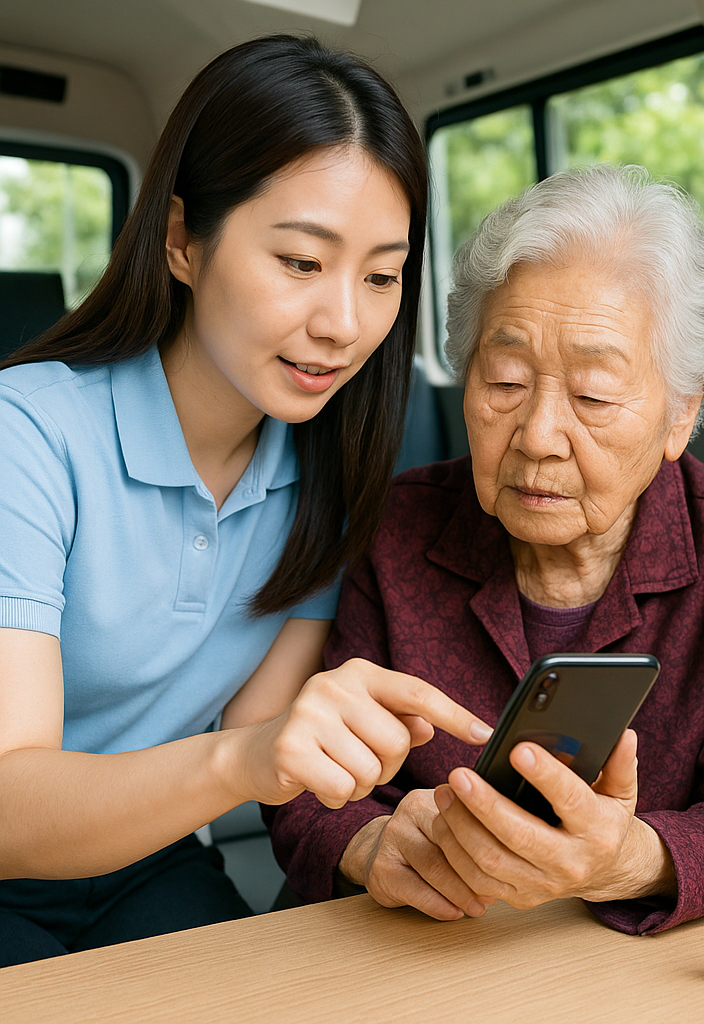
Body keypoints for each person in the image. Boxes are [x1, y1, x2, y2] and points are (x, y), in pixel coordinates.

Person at [0, 35, 493, 969]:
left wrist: (413, 824)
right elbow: (9, 804)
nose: (343, 323)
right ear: (183, 241)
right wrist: (247, 758)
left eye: (381, 275)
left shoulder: (327, 474)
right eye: (302, 262)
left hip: (144, 864)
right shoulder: (25, 436)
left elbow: (273, 733)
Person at [264, 164, 704, 935]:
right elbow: (306, 785)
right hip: (422, 949)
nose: (539, 437)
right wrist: (374, 843)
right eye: (505, 380)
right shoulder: (399, 529)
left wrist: (642, 860)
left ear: (681, 415)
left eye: (593, 397)